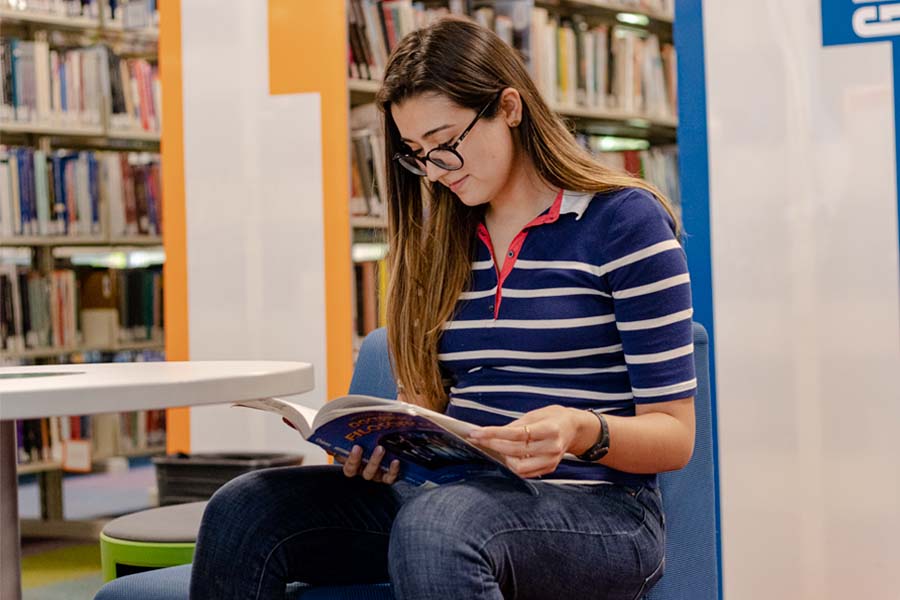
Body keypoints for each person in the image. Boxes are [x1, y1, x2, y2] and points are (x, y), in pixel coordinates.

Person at [189, 17, 695, 600]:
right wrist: (386, 447)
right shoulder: (440, 239)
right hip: (453, 491)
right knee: (244, 510)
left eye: (447, 142)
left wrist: (581, 429)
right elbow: (428, 409)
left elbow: (674, 437)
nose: (436, 170)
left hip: (601, 509)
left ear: (509, 107)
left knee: (442, 526)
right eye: (417, 154)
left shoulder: (623, 221)